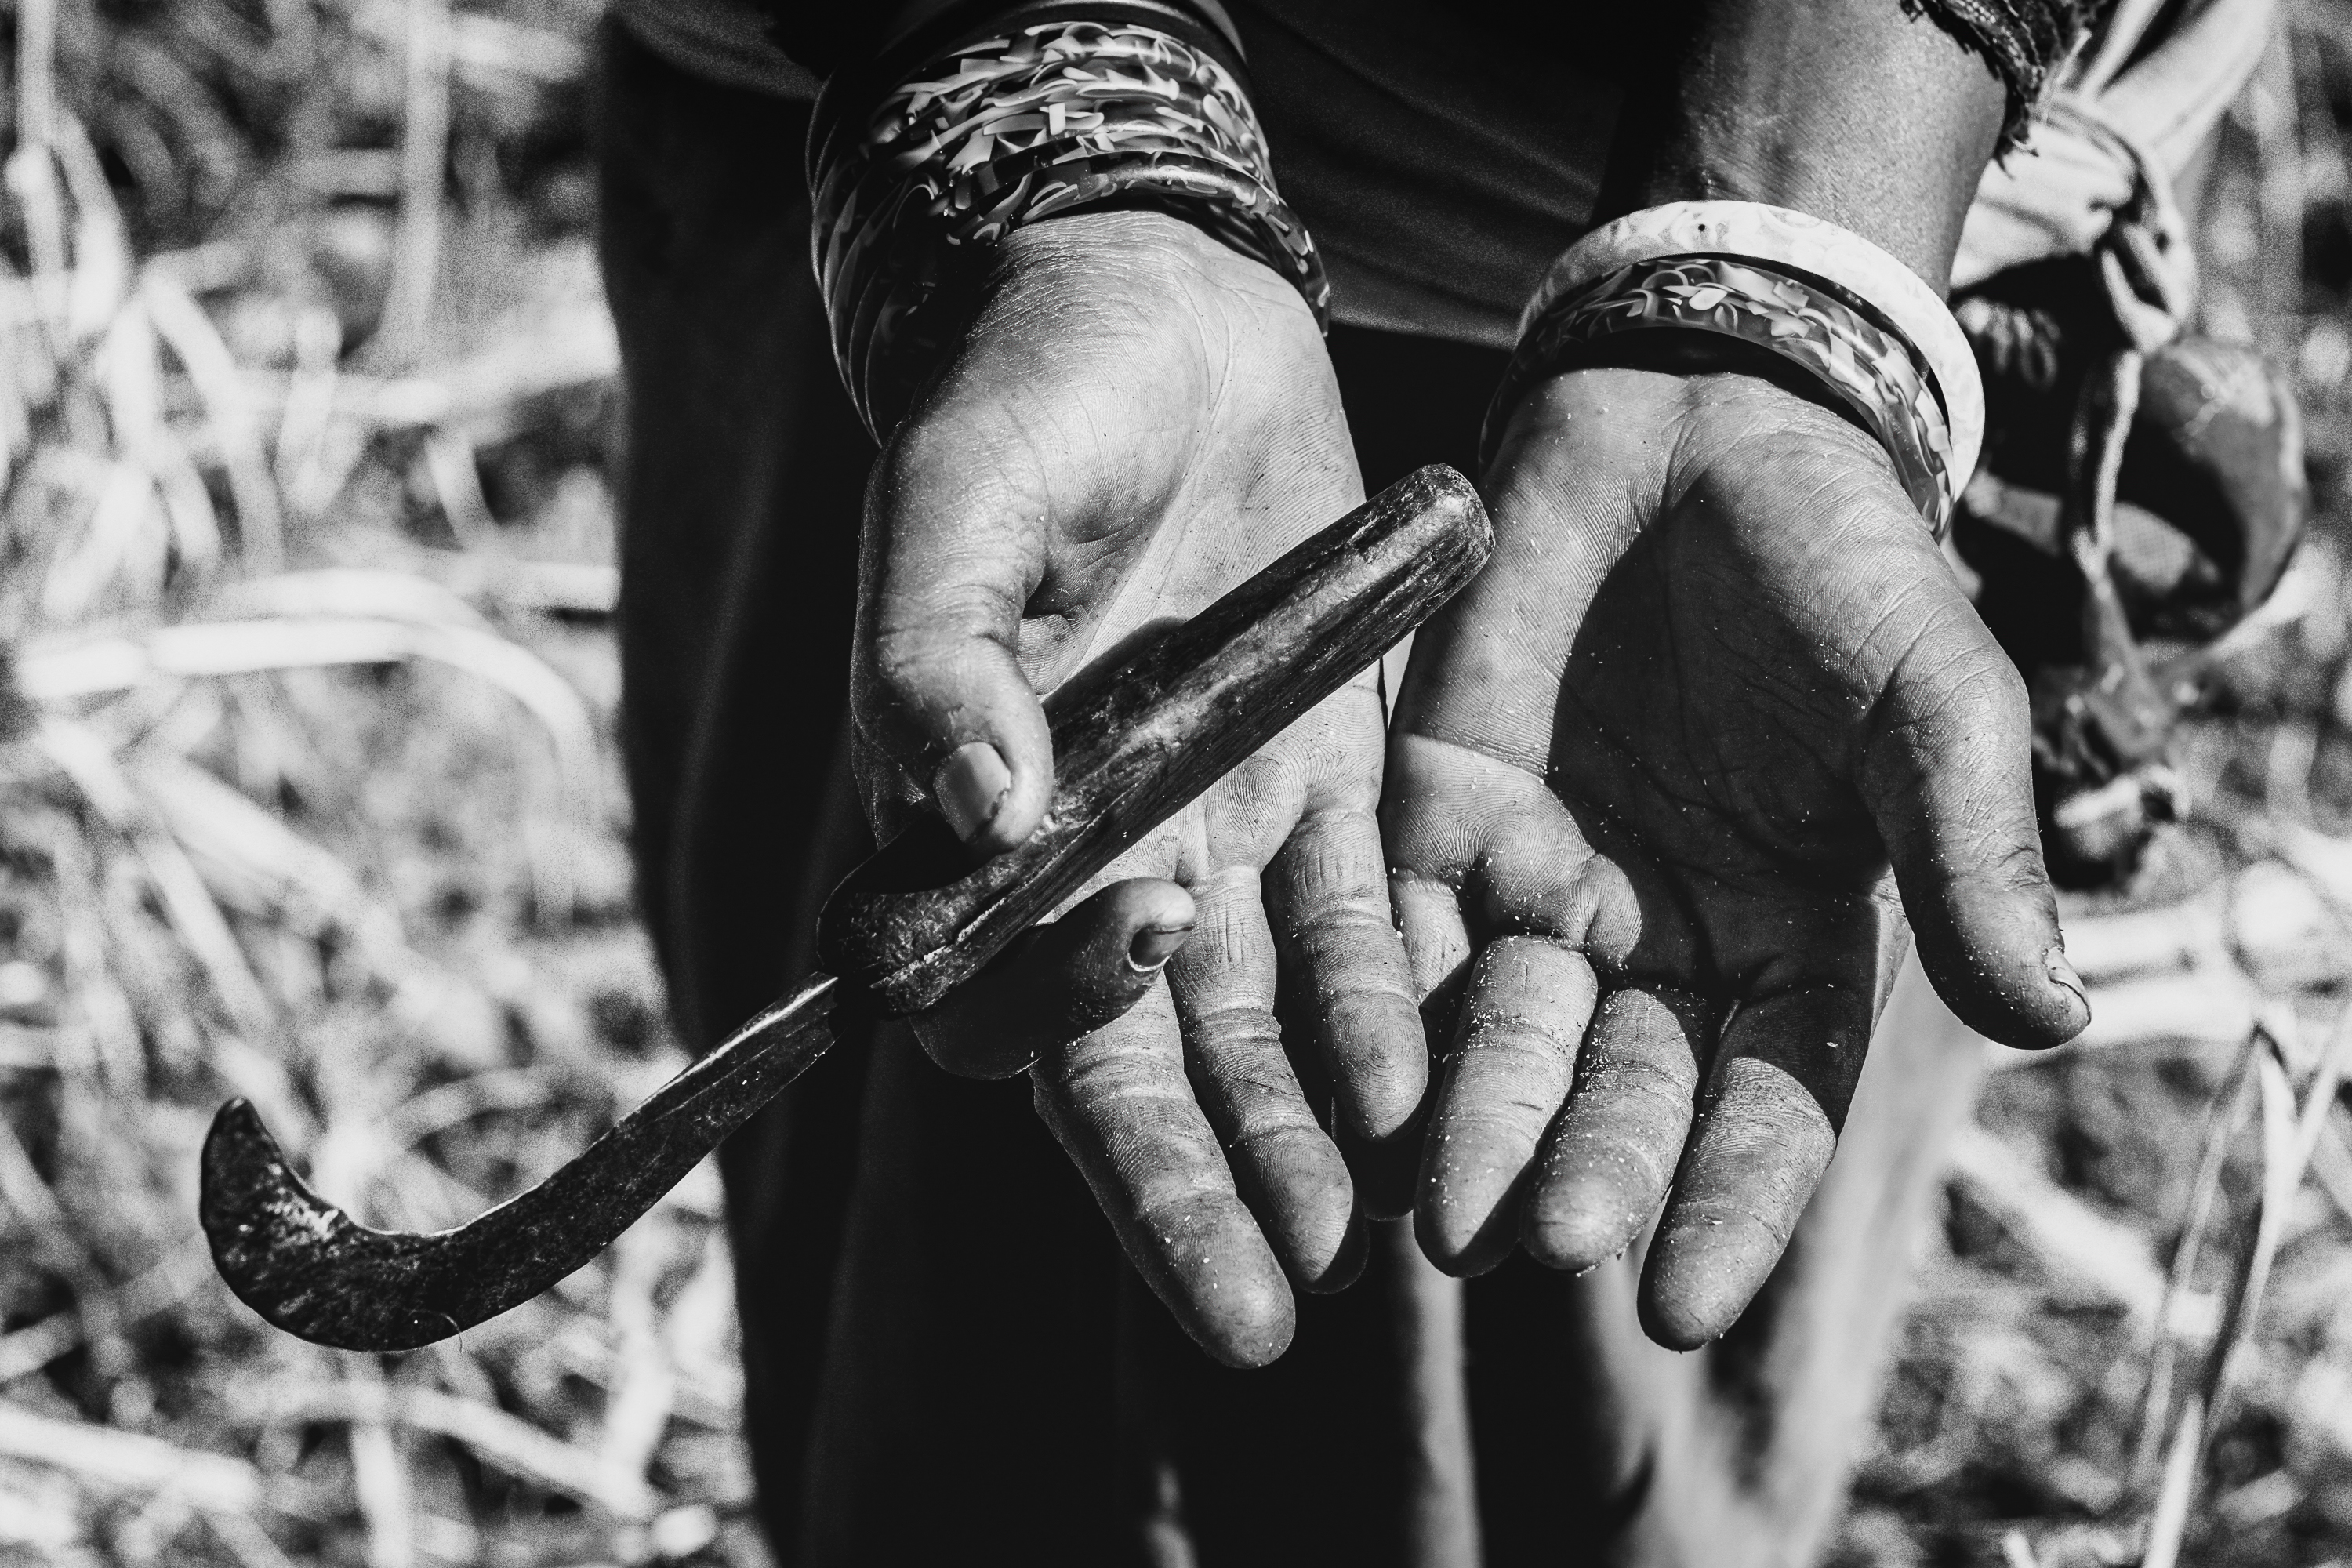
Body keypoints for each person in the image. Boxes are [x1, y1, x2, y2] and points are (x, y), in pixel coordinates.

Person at [593, 0, 2296, 1560]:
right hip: (984, 276)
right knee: (950, 1431)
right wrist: (1060, 107)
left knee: (1591, 1465)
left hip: (1847, 269)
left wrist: (1788, 278)